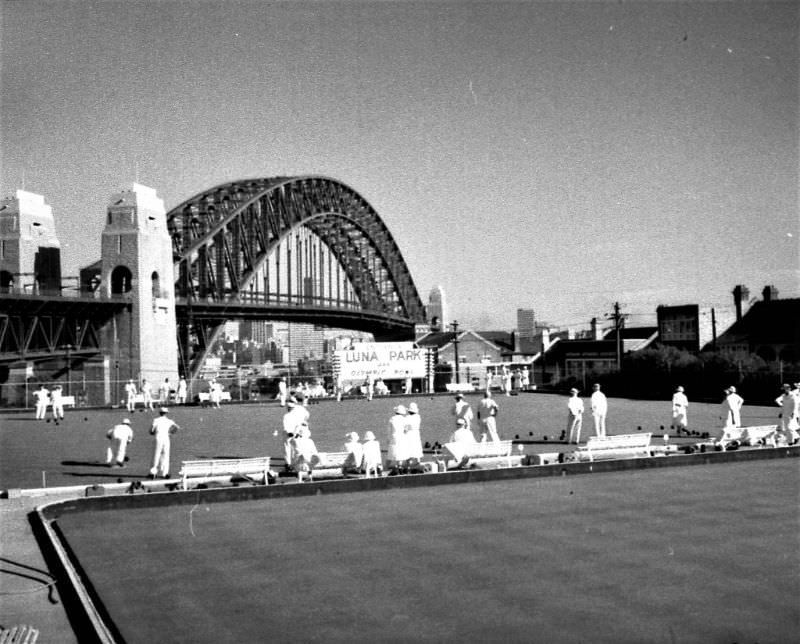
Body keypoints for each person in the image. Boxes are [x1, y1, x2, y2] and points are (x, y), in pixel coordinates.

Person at [148, 407, 179, 479]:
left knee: (156, 455)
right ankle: (165, 473)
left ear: (159, 413)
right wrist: (170, 433)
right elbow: (177, 427)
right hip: (166, 438)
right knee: (165, 455)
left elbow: (151, 430)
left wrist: (152, 432)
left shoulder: (156, 420)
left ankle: (153, 472)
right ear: (166, 413)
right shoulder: (169, 421)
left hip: (158, 437)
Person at [278, 397, 305, 471]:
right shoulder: (289, 416)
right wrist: (292, 432)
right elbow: (287, 426)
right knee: (290, 449)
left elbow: (296, 425)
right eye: (289, 407)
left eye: (290, 407)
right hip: (290, 434)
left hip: (291, 434)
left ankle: (292, 463)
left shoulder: (289, 416)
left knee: (292, 449)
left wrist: (293, 432)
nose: (289, 409)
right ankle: (289, 463)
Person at [387, 404, 409, 473]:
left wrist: (388, 438)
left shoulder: (392, 419)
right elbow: (406, 430)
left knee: (392, 452)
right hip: (401, 437)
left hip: (394, 436)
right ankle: (399, 467)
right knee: (400, 452)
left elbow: (389, 430)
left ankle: (387, 467)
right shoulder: (404, 419)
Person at [405, 402, 424, 469]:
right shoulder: (418, 417)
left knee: (409, 449)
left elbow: (406, 427)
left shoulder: (407, 418)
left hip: (409, 434)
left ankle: (408, 465)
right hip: (416, 433)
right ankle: (418, 462)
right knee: (417, 448)